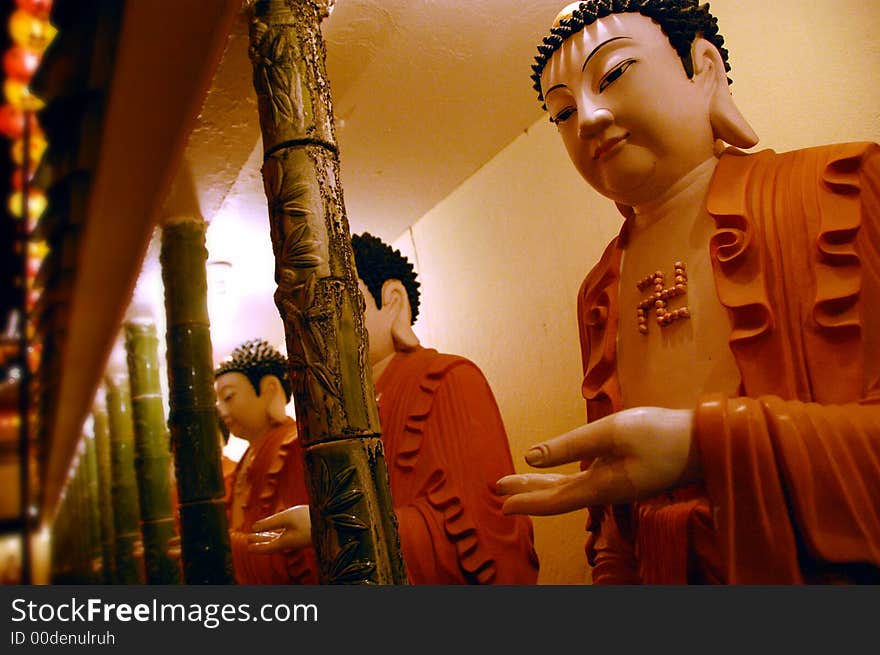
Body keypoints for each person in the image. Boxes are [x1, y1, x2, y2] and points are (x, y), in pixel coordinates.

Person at [495, 0, 880, 583]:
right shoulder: (599, 292)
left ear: (704, 69)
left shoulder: (841, 190)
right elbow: (614, 518)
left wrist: (703, 446)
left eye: (614, 74)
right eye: (563, 112)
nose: (590, 118)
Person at [248, 233, 540, 584]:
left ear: (392, 302)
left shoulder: (448, 381)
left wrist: (338, 526)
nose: (317, 328)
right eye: (306, 319)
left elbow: (483, 532)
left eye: (333, 303)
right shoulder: (320, 419)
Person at [214, 338, 318, 584]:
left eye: (229, 397)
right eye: (219, 401)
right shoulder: (247, 459)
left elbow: (296, 551)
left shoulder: (294, 446)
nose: (222, 410)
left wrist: (223, 543)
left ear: (269, 389)